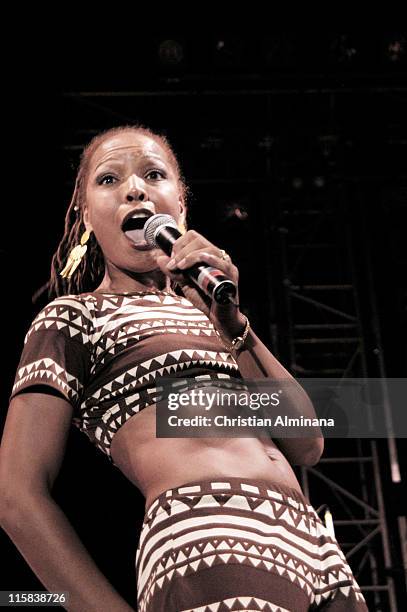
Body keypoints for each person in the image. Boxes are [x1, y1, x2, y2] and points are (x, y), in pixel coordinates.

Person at [0, 125, 367, 611]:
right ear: (87, 217)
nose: (135, 188)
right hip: (208, 533)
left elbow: (306, 442)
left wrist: (234, 326)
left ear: (181, 207)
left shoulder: (214, 312)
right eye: (109, 180)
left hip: (315, 546)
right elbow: (18, 496)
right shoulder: (74, 318)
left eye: (154, 174)